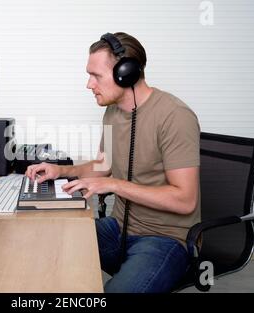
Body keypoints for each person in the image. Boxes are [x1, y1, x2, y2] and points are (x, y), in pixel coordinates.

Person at [25, 32, 200, 293]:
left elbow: (185, 200)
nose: (88, 84)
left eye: (96, 75)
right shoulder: (113, 112)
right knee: (48, 240)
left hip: (165, 240)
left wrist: (115, 185)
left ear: (126, 73)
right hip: (119, 229)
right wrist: (59, 170)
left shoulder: (174, 116)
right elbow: (101, 166)